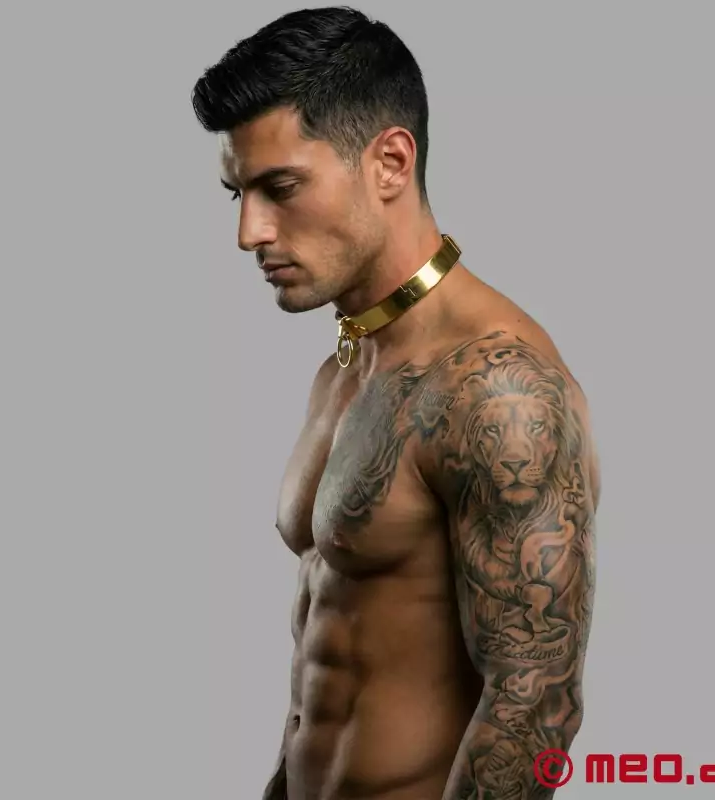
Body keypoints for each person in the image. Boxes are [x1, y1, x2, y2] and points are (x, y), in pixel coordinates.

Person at [191, 6, 600, 798]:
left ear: (389, 163)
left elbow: (535, 704)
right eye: (237, 193)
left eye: (280, 188)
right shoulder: (347, 363)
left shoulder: (498, 388)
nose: (249, 232)